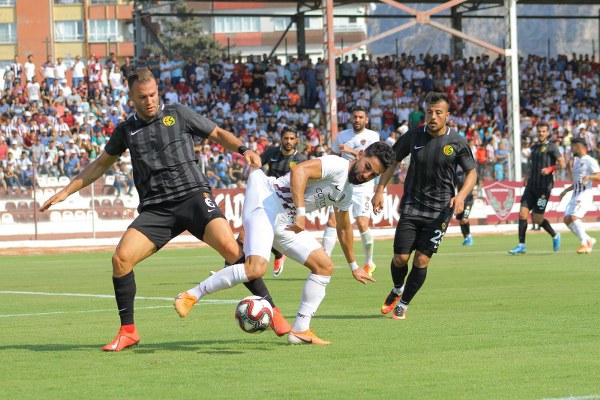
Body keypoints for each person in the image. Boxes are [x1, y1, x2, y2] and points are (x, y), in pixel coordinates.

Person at [40, 67, 291, 352]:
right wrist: (65, 191)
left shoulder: (178, 114)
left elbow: (217, 132)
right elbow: (99, 165)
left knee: (234, 252)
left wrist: (243, 149)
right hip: (157, 210)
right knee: (120, 260)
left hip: (193, 197)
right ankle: (128, 331)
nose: (149, 100)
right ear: (131, 98)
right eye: (142, 97)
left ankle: (274, 313)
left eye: (153, 94)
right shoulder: (126, 131)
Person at [174, 142, 394, 345]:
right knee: (256, 268)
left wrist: (354, 266)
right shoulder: (336, 164)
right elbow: (299, 171)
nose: (365, 175)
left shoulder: (347, 190)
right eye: (366, 167)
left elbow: (344, 226)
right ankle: (192, 294)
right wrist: (300, 212)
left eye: (372, 175)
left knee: (324, 266)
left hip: (285, 219)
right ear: (362, 154)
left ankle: (300, 330)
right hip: (266, 200)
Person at [372, 91, 477, 320]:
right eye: (429, 111)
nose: (433, 116)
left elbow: (472, 172)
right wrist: (380, 189)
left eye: (438, 112)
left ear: (447, 115)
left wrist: (460, 196)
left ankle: (405, 303)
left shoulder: (456, 142)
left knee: (421, 259)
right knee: (400, 258)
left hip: (440, 210)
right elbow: (392, 161)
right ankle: (398, 288)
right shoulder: (413, 136)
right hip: (411, 205)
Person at [323, 105, 381, 276]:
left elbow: (373, 161)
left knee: (362, 224)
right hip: (344, 183)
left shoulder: (372, 136)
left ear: (366, 120)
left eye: (361, 117)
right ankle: (324, 259)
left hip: (363, 186)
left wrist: (350, 150)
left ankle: (369, 262)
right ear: (351, 118)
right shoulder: (341, 136)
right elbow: (333, 156)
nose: (357, 120)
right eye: (355, 117)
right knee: (332, 220)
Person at [508, 121, 565, 254]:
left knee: (537, 218)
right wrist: (527, 175)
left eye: (544, 131)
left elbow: (563, 164)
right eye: (539, 131)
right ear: (536, 132)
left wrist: (551, 168)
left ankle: (555, 235)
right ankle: (521, 245)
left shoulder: (552, 147)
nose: (541, 133)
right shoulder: (534, 148)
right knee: (522, 213)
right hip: (531, 186)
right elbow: (532, 164)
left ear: (548, 132)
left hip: (544, 188)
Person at [256, 126, 307, 276]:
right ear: (281, 138)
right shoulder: (272, 152)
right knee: (255, 231)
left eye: (292, 138)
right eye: (286, 138)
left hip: (286, 202)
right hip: (268, 198)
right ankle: (278, 254)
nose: (288, 141)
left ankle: (279, 254)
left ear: (297, 140)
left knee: (267, 232)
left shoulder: (300, 160)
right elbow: (257, 163)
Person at [559, 137, 600, 254]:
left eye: (572, 146)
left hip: (584, 194)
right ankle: (589, 239)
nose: (571, 149)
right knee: (567, 219)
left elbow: (598, 176)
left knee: (573, 217)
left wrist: (590, 177)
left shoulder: (590, 160)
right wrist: (566, 190)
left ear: (579, 147)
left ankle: (583, 243)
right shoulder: (577, 162)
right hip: (575, 195)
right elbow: (578, 182)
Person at [455, 165, 474, 246]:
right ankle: (466, 238)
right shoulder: (457, 174)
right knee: (460, 221)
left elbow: (479, 182)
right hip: (460, 200)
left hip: (469, 200)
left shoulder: (471, 172)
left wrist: (477, 190)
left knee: (464, 219)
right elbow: (454, 184)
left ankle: (469, 237)